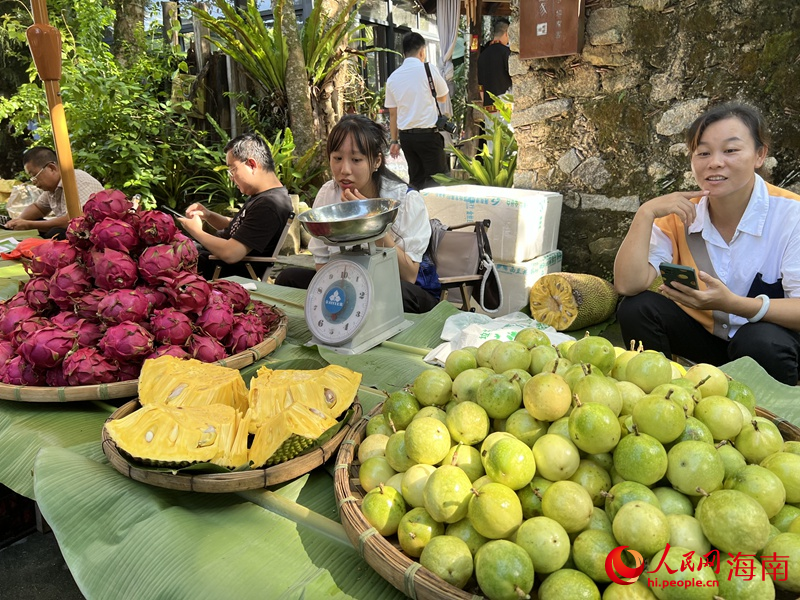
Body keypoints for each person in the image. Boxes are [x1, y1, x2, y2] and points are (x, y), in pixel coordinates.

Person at [613, 102, 800, 385]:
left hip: (765, 341)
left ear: (760, 155)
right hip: (708, 340)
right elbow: (628, 284)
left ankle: (774, 417)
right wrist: (645, 213)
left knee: (760, 342)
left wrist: (735, 304)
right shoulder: (681, 215)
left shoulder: (791, 215)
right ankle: (663, 396)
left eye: (731, 150)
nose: (715, 162)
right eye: (703, 152)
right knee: (636, 307)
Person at [275, 114, 439, 314]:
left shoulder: (405, 200)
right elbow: (322, 263)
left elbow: (409, 275)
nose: (344, 170)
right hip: (349, 282)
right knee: (288, 278)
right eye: (337, 158)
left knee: (384, 293)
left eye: (356, 160)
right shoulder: (328, 194)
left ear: (377, 161)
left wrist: (372, 222)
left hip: (404, 289)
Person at [179, 133, 293, 280]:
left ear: (251, 164)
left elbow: (231, 253)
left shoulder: (270, 205)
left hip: (220, 273)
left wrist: (196, 231)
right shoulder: (262, 197)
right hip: (210, 259)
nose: (231, 177)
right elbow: (241, 227)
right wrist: (209, 215)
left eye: (232, 170)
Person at [384, 32, 450, 191]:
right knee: (437, 181)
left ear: (403, 53)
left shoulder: (393, 78)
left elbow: (393, 113)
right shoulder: (428, 70)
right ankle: (435, 214)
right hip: (428, 136)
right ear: (422, 51)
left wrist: (394, 141)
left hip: (407, 138)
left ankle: (417, 211)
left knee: (416, 180)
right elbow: (443, 97)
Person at [6, 147, 103, 236]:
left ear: (52, 168)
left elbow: (75, 220)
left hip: (94, 234)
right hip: (75, 230)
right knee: (38, 222)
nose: (34, 182)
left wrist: (29, 225)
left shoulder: (75, 179)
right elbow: (38, 208)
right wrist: (18, 221)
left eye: (34, 176)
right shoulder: (52, 188)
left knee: (55, 233)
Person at [478, 19, 512, 108]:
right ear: (506, 33)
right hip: (505, 105)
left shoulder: (482, 55)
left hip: (488, 107)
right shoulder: (507, 53)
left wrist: (484, 104)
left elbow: (480, 86)